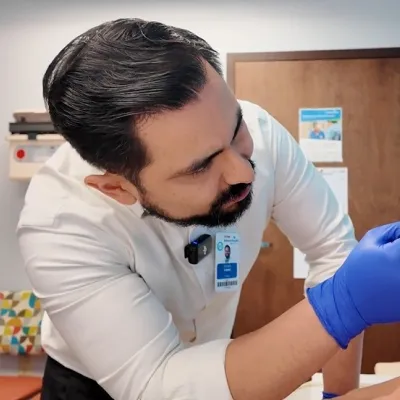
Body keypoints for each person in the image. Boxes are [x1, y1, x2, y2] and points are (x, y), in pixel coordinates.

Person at [16, 18, 400, 400]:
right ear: (118, 188)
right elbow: (158, 386)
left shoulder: (261, 133)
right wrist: (343, 305)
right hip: (98, 383)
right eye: (200, 167)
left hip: (216, 351)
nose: (243, 171)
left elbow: (333, 251)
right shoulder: (59, 223)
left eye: (237, 132)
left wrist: (339, 395)